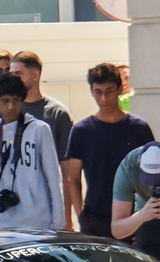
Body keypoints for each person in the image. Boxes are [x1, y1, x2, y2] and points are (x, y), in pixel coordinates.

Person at [64, 63, 154, 244]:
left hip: (132, 218)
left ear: (120, 89)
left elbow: (151, 174)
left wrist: (143, 219)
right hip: (95, 218)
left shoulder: (138, 128)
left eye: (109, 91)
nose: (103, 98)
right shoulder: (82, 130)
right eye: (98, 92)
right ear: (91, 91)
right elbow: (72, 178)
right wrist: (81, 215)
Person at [0, 73, 65, 229]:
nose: (11, 106)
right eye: (5, 101)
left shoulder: (39, 129)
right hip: (4, 221)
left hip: (38, 221)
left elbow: (53, 177)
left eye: (16, 100)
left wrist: (58, 222)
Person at [11, 50, 74, 156]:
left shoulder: (58, 113)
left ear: (35, 75)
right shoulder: (1, 111)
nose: (13, 79)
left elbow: (66, 163)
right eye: (11, 74)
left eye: (18, 73)